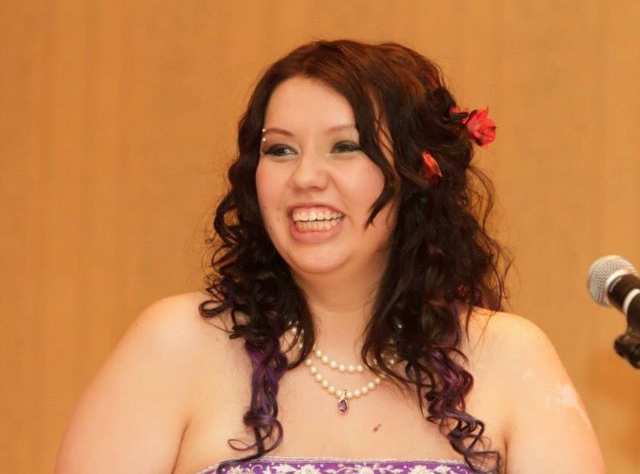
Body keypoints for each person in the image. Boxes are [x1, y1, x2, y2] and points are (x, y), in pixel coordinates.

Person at [55, 39, 605, 474]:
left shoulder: (509, 358)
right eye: (280, 150)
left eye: (345, 146)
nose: (305, 177)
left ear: (418, 175)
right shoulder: (174, 345)